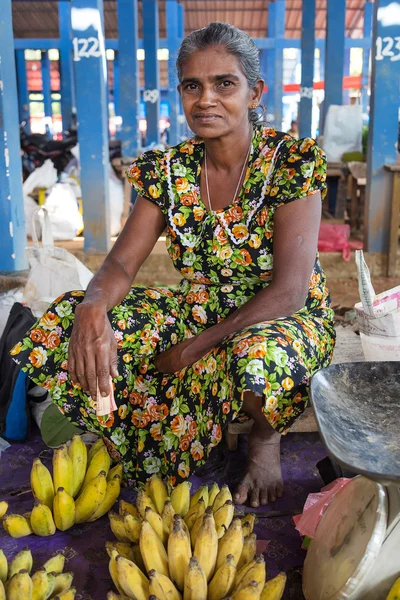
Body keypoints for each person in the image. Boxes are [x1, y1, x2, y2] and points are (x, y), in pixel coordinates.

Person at [11, 22, 335, 507]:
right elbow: (121, 263)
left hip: (283, 316)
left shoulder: (290, 162)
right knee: (69, 319)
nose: (206, 98)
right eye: (192, 85)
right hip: (199, 308)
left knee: (257, 357)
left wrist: (189, 350)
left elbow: (289, 290)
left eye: (224, 83)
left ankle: (265, 438)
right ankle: (169, 442)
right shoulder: (169, 171)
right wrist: (94, 306)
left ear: (254, 93)